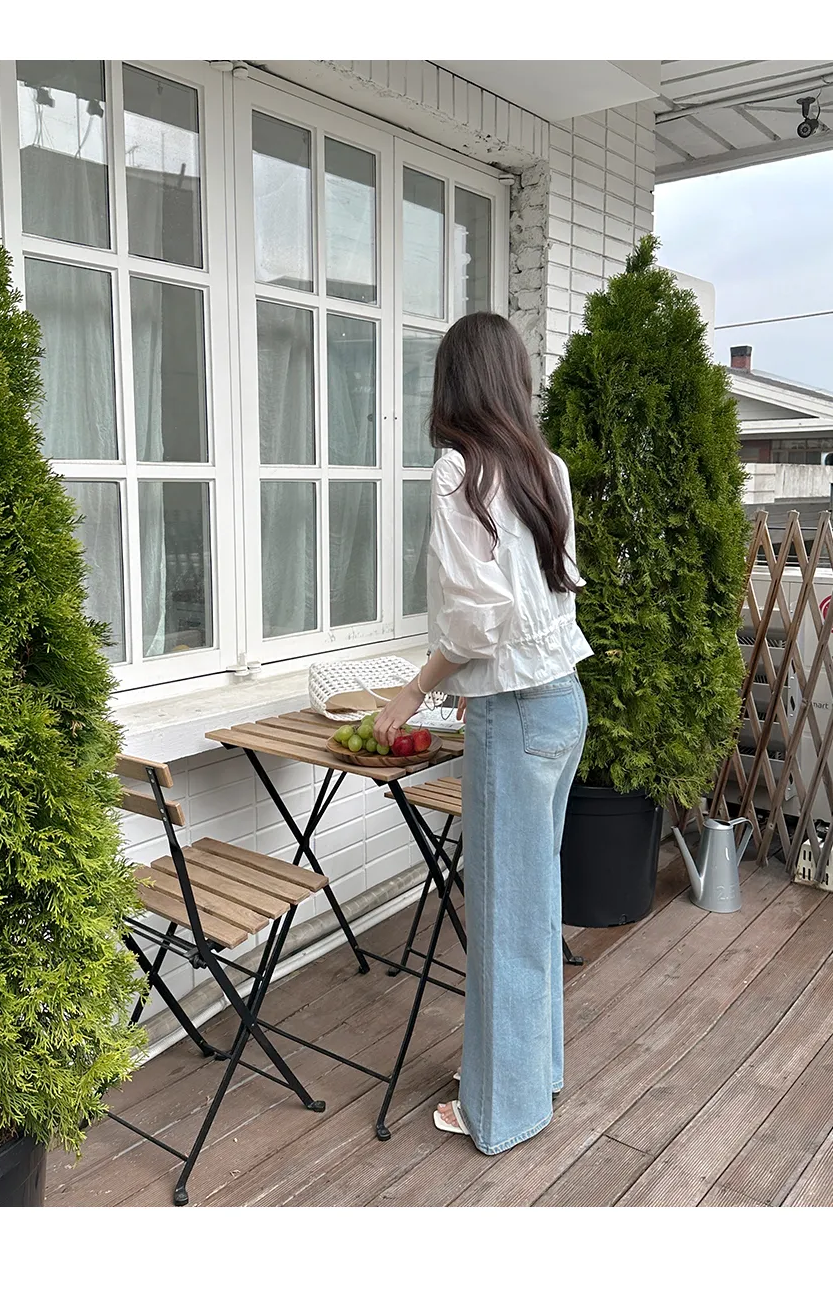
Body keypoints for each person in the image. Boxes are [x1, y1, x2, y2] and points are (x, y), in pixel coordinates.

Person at [373, 311, 592, 1155]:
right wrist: (475, 683)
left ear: (454, 384)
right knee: (535, 905)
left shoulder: (459, 472)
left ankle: (501, 1111)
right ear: (513, 379)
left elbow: (474, 623)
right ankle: (536, 1074)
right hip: (563, 703)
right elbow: (540, 601)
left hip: (517, 715)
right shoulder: (546, 467)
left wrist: (412, 691)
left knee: (504, 914)